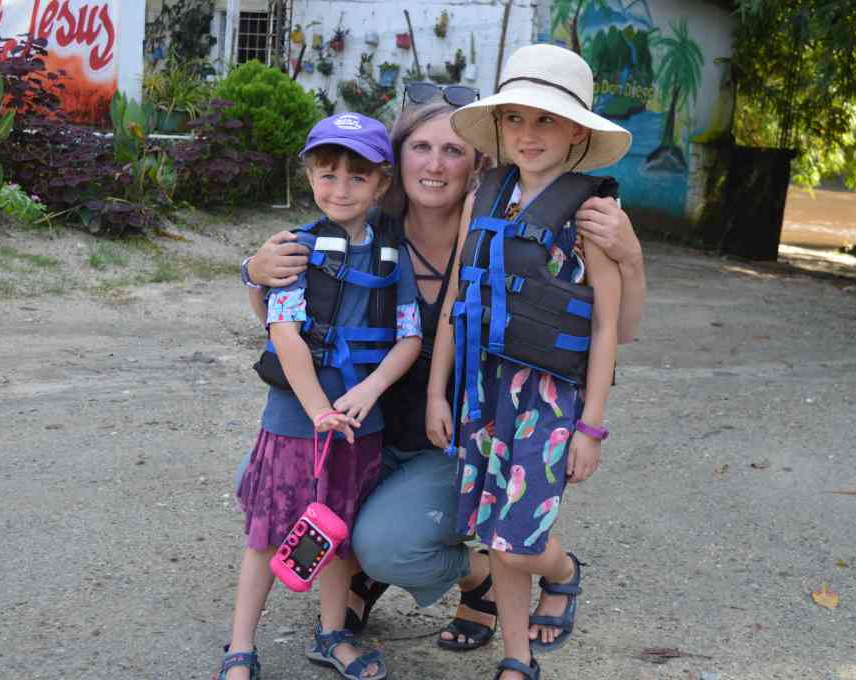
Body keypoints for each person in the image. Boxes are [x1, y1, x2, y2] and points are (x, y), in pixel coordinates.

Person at [242, 91, 646, 657]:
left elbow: (616, 328)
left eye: (453, 151)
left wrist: (630, 259)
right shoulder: (360, 225)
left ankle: (474, 573)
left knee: (388, 543)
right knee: (282, 487)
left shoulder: (497, 228)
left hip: (448, 443)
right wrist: (253, 274)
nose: (434, 164)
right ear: (393, 164)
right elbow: (286, 325)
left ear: (477, 162)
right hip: (370, 430)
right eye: (420, 148)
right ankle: (360, 570)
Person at [425, 44, 631, 680]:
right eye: (516, 119)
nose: (528, 134)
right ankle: (518, 660)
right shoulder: (483, 196)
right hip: (480, 395)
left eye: (546, 120)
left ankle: (563, 574)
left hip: (546, 401)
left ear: (576, 130)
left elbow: (606, 325)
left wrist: (592, 426)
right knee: (496, 539)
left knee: (520, 542)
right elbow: (459, 295)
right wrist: (438, 392)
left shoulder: (593, 212)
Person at [219, 113, 422, 680]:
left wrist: (370, 388)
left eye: (358, 177)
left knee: (335, 529)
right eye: (327, 174)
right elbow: (284, 334)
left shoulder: (393, 255)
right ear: (309, 176)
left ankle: (333, 633)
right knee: (267, 531)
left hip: (360, 422)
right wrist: (317, 411)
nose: (340, 188)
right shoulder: (293, 251)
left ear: (381, 184)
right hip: (295, 421)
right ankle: (240, 646)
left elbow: (409, 337)